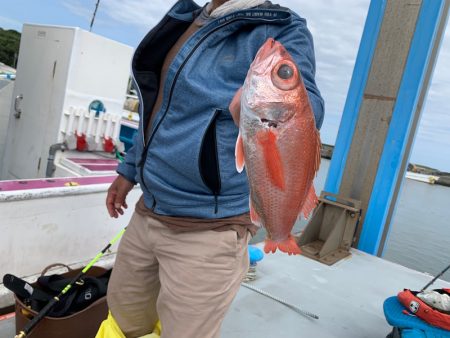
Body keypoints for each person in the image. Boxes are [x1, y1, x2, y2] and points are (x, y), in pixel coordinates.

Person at [105, 0, 324, 337]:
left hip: (209, 230)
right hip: (147, 212)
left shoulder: (282, 29)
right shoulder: (187, 18)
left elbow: (307, 101)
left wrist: (276, 106)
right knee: (124, 322)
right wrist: (129, 170)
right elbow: (159, 108)